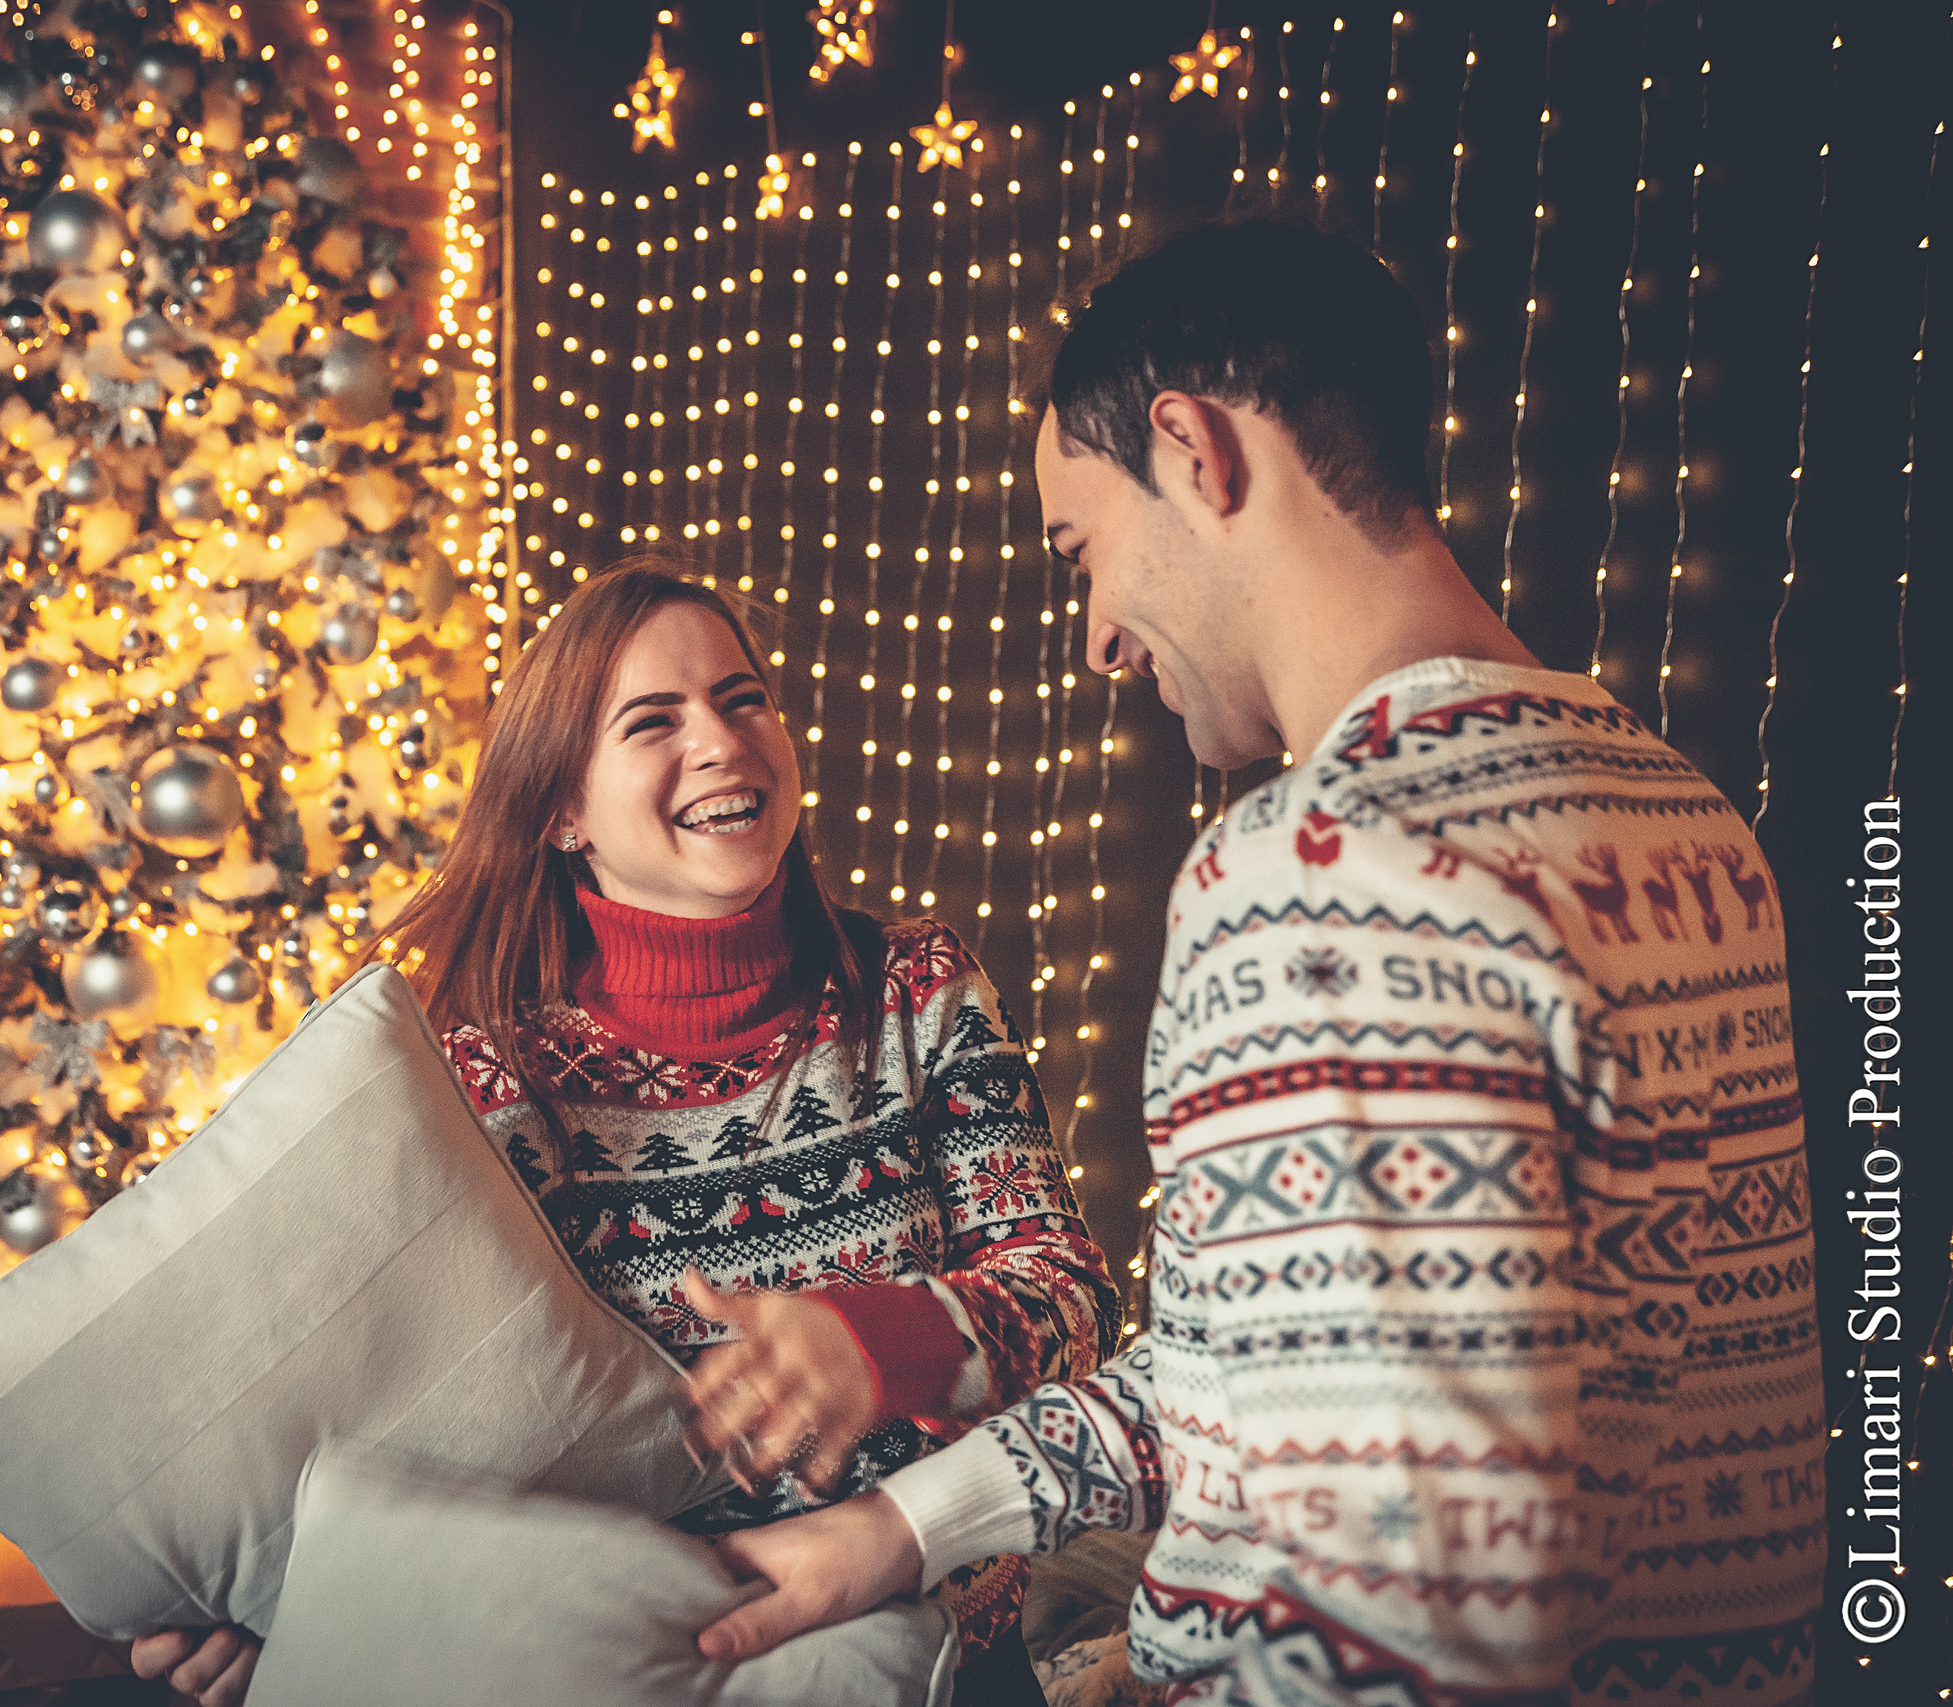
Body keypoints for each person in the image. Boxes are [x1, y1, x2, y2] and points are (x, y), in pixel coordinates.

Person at [691, 221, 1821, 1706]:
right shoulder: (1681, 812)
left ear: (1196, 450)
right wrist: (904, 1526)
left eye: (1082, 550)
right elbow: (1274, 1369)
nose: (1095, 633)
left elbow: (1426, 1629)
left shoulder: (1318, 870)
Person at [133, 562, 1118, 1705]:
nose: (719, 740)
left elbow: (1073, 1301)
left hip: (939, 1655)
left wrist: (880, 1340)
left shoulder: (917, 989)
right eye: (654, 721)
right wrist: (285, 1609)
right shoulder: (482, 1073)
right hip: (623, 1669)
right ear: (560, 810)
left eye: (742, 698)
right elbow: (410, 1416)